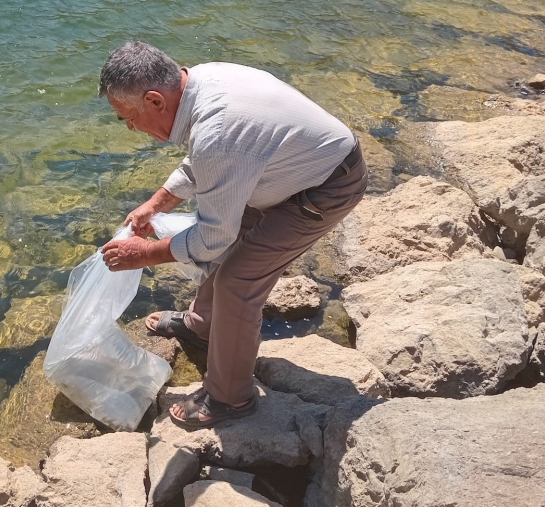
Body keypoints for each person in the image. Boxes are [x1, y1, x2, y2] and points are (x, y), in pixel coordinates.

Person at [98, 40, 367, 429]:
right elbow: (207, 161)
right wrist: (156, 204)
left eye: (128, 117)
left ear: (155, 100)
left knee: (238, 282)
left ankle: (230, 398)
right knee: (231, 242)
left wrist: (143, 254)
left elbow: (212, 238)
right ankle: (203, 326)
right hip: (281, 173)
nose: (131, 127)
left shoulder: (217, 129)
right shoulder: (201, 80)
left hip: (324, 188)